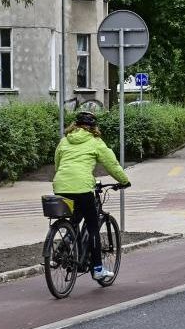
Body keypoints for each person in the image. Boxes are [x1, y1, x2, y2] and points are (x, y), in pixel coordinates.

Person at [53, 111, 130, 280]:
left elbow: (58, 164)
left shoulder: (64, 141)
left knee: (73, 220)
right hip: (82, 187)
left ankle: (62, 247)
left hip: (60, 185)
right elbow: (112, 165)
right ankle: (97, 269)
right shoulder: (95, 142)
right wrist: (124, 181)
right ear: (93, 127)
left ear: (75, 125)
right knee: (93, 226)